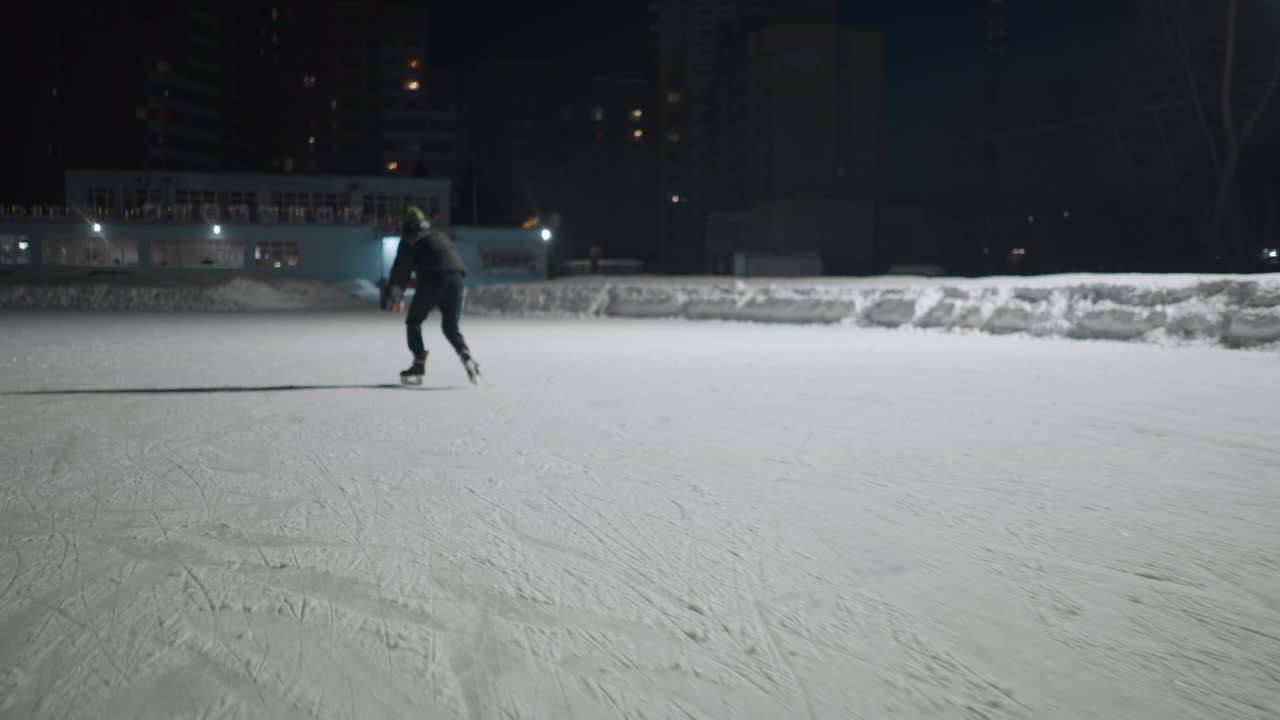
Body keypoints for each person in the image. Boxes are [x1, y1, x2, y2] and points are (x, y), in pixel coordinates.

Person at [387, 206, 480, 384]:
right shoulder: (439, 235)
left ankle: (418, 362)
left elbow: (401, 271)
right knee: (450, 327)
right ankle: (466, 354)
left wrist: (396, 294)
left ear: (406, 225)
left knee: (414, 321)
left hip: (433, 280)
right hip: (457, 280)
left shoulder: (409, 240)